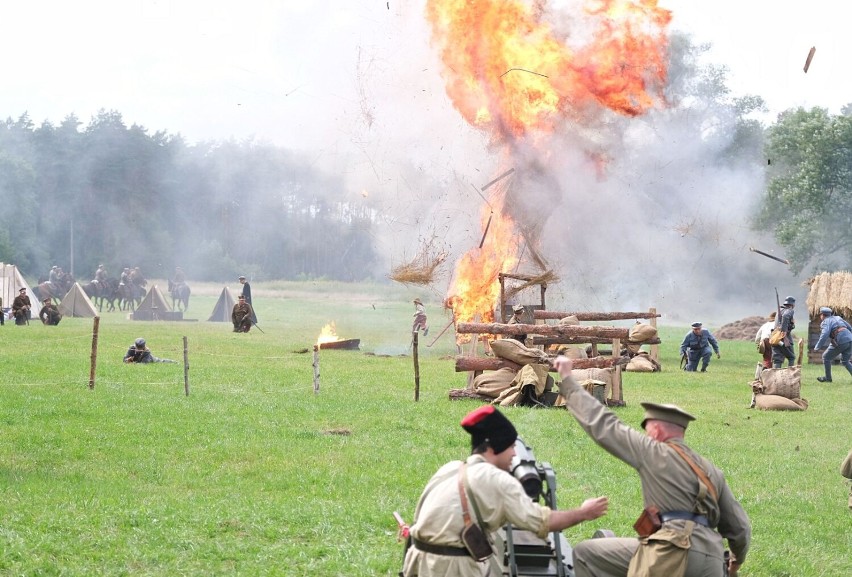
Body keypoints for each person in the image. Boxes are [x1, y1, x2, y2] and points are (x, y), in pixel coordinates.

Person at [553, 356, 751, 577]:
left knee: (585, 553)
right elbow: (740, 528)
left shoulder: (653, 451)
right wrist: (735, 563)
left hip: (670, 552)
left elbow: (604, 425)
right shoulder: (711, 471)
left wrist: (568, 381)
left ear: (656, 430)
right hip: (712, 561)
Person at [401, 405, 608, 577]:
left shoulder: (451, 468)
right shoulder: (497, 481)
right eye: (510, 447)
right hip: (451, 568)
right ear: (492, 448)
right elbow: (542, 522)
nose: (513, 453)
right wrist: (584, 512)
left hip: (417, 560)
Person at [813, 307, 852, 383]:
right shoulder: (838, 317)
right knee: (845, 361)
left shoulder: (825, 322)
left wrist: (817, 346)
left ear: (822, 315)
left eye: (820, 315)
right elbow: (850, 328)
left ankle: (828, 378)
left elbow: (825, 334)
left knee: (826, 357)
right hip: (850, 339)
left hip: (840, 339)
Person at [771, 296, 796, 368]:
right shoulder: (789, 310)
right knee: (791, 357)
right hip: (783, 337)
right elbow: (785, 316)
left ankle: (776, 377)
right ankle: (790, 376)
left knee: (777, 360)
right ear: (792, 304)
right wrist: (784, 331)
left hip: (775, 338)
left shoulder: (780, 310)